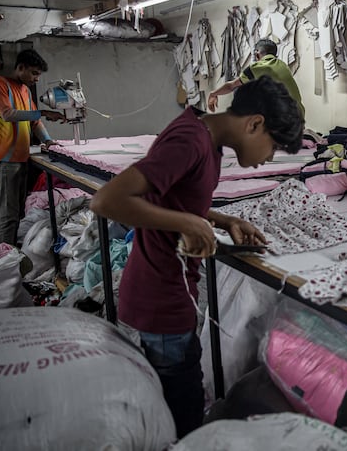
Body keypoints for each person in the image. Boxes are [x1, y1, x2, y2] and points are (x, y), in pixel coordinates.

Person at [89, 75, 304, 438]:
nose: (269, 158)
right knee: (182, 418)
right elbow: (106, 200)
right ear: (255, 124)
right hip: (162, 300)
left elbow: (174, 196)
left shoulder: (206, 138)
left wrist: (222, 218)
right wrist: (187, 221)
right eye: (274, 148)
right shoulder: (190, 141)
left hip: (168, 294)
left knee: (179, 401)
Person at [0, 49, 65, 245]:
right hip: (5, 156)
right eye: (34, 73)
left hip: (22, 155)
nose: (37, 79)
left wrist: (48, 141)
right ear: (20, 67)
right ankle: (5, 257)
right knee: (9, 213)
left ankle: (15, 252)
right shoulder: (0, 83)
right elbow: (8, 114)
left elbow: (34, 122)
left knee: (19, 209)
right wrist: (43, 112)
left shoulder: (25, 91)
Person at [207, 38, 305, 118]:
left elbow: (231, 86)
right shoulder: (283, 65)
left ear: (257, 54)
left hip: (284, 120)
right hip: (299, 117)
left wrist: (213, 93)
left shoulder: (256, 68)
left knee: (240, 91)